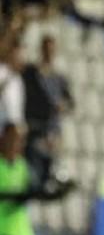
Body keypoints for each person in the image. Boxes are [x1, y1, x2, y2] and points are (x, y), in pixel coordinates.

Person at [21, 35, 72, 190]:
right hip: (35, 132)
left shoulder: (59, 78)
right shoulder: (31, 73)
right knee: (33, 174)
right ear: (41, 50)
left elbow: (70, 103)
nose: (49, 53)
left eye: (52, 50)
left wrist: (63, 106)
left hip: (53, 134)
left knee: (50, 176)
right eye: (46, 49)